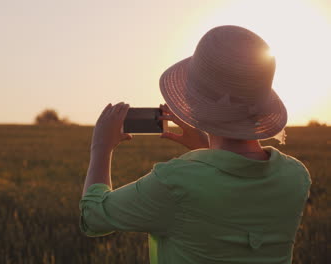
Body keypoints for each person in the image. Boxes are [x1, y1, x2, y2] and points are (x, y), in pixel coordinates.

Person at [79, 25, 311, 264]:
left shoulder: (176, 182)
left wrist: (101, 147)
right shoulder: (296, 176)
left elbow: (93, 217)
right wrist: (206, 147)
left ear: (192, 102)